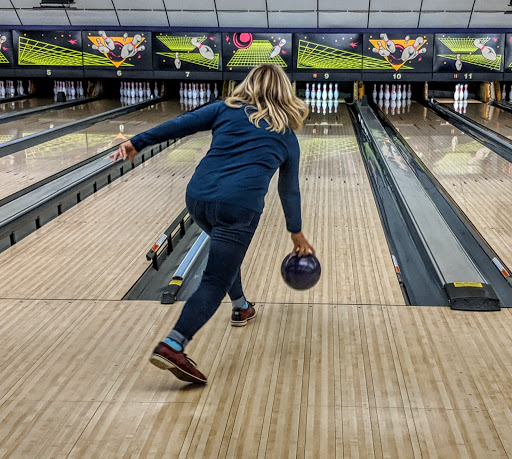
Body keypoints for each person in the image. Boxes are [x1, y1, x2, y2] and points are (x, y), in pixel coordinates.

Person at [111, 64, 315, 384]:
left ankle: (241, 306)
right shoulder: (286, 135)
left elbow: (180, 125)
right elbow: (288, 190)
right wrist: (296, 231)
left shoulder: (224, 109)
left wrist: (137, 141)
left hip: (198, 200)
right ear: (285, 92)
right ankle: (174, 344)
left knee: (223, 258)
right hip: (239, 209)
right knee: (214, 279)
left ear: (248, 84)